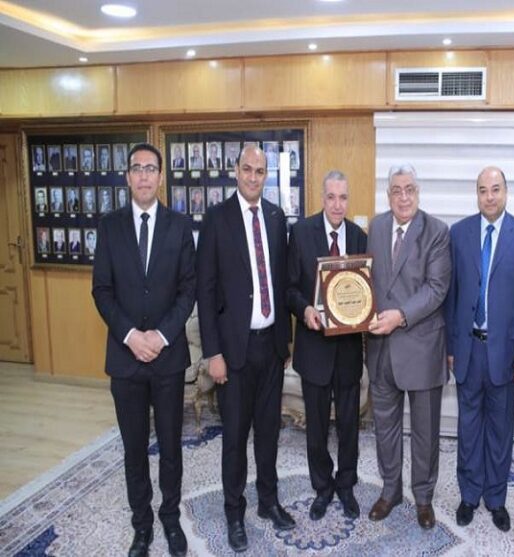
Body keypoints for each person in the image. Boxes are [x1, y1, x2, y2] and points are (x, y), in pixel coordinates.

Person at [92, 143, 195, 557]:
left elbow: (188, 290)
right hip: (125, 359)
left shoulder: (179, 225)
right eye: (137, 168)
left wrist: (161, 336)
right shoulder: (109, 227)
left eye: (151, 168)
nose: (144, 176)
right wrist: (132, 336)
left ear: (161, 176)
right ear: (127, 177)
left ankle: (170, 518)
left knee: (170, 447)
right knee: (134, 450)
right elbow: (102, 290)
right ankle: (142, 525)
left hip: (168, 359)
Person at [196, 145, 294, 552]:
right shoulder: (216, 219)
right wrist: (213, 353)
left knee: (269, 433)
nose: (254, 177)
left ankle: (268, 501)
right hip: (233, 352)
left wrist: (285, 340)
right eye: (248, 169)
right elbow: (205, 291)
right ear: (235, 171)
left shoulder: (275, 217)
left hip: (270, 347)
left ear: (266, 175)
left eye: (260, 171)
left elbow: (282, 280)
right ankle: (234, 511)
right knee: (235, 438)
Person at [444, 167, 514, 531]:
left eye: (495, 189)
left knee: (500, 430)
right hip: (468, 349)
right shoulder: (459, 234)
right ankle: (469, 495)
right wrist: (450, 347)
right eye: (483, 190)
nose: (489, 196)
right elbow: (451, 297)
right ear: (477, 194)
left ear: (506, 192)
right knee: (468, 427)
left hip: (506, 355)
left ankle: (496, 498)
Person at [365, 164, 451, 530]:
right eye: (397, 190)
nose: (404, 197)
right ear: (388, 195)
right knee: (384, 428)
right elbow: (366, 280)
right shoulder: (376, 227)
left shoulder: (437, 231)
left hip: (421, 347)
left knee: (424, 432)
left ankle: (424, 497)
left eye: (410, 189)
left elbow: (436, 289)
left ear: (418, 192)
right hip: (380, 349)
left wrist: (399, 316)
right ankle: (390, 491)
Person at [286, 170, 367, 521]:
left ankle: (346, 485)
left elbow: (365, 292)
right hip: (314, 349)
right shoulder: (301, 233)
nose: (337, 204)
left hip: (348, 350)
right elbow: (289, 288)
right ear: (322, 198)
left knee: (349, 425)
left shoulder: (359, 237)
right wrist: (305, 309)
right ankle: (322, 487)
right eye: (331, 197)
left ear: (348, 200)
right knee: (316, 429)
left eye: (343, 197)